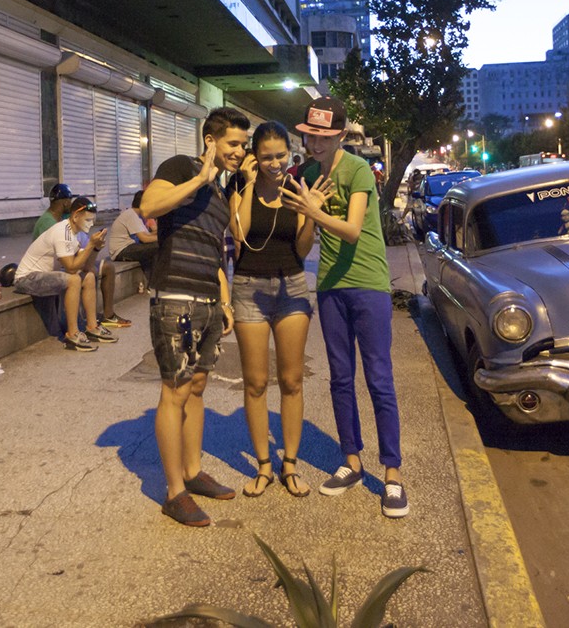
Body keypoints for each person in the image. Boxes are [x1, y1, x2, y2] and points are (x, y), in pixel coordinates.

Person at [291, 96, 409, 519]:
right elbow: (303, 245)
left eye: (323, 137)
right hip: (329, 287)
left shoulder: (358, 170)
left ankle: (392, 474)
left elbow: (353, 230)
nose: (314, 144)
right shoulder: (305, 174)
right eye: (309, 136)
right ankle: (352, 462)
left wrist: (314, 211)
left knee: (379, 377)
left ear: (340, 135)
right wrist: (308, 216)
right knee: (340, 377)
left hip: (369, 284)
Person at [140, 106, 250, 527]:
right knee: (175, 388)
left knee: (198, 386)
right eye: (233, 144)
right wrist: (199, 179)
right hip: (175, 294)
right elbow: (151, 204)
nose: (239, 151)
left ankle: (192, 470)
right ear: (210, 141)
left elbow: (219, 254)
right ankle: (174, 492)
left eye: (243, 145)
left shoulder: (222, 192)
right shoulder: (182, 166)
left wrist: (225, 303)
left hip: (207, 296)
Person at [229, 121, 325, 499]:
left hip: (293, 286)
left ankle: (290, 465)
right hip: (249, 287)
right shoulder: (239, 187)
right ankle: (264, 466)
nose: (274, 163)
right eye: (266, 157)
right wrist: (250, 184)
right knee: (254, 383)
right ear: (254, 157)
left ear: (291, 153)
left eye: (280, 156)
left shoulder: (295, 189)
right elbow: (240, 237)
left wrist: (311, 213)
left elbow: (302, 250)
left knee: (291, 380)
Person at [14, 196, 115, 351]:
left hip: (47, 275)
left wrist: (95, 248)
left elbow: (88, 268)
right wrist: (90, 246)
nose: (91, 224)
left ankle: (92, 326)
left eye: (93, 220)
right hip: (27, 278)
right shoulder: (63, 232)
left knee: (88, 277)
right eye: (88, 220)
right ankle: (73, 334)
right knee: (74, 279)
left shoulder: (77, 234)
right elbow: (71, 268)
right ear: (75, 216)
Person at [33, 183, 129, 330]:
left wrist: (93, 246)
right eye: (69, 201)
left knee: (106, 268)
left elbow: (79, 244)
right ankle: (79, 324)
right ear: (65, 202)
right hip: (53, 266)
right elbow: (67, 258)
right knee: (85, 274)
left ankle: (107, 316)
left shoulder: (64, 218)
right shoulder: (48, 222)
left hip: (69, 259)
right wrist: (89, 249)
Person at [108, 190, 158, 282]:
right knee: (158, 246)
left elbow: (148, 235)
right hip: (121, 251)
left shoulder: (137, 216)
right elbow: (145, 239)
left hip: (130, 247)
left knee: (157, 247)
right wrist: (163, 238)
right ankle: (154, 282)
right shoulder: (131, 215)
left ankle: (152, 282)